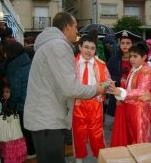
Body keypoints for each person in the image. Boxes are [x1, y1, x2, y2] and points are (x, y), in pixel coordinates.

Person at [23, 12, 105, 163]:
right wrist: (96, 89)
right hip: (47, 120)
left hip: (44, 117)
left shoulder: (50, 44)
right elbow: (71, 88)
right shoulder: (59, 46)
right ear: (67, 27)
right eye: (75, 27)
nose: (77, 31)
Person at [73, 34, 111, 163]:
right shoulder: (72, 64)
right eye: (86, 47)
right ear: (80, 47)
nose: (89, 51)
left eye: (92, 48)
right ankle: (79, 160)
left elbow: (108, 82)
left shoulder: (101, 65)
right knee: (78, 134)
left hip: (95, 104)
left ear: (96, 50)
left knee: (97, 135)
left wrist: (105, 86)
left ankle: (99, 159)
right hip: (78, 104)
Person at [109, 42, 151, 146]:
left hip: (140, 110)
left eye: (135, 56)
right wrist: (120, 85)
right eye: (130, 56)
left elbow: (141, 90)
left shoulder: (148, 71)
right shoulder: (134, 69)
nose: (132, 59)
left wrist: (121, 92)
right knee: (130, 136)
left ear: (144, 57)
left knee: (140, 138)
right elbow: (131, 85)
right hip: (129, 107)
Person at [3, 41, 36, 161]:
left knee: (25, 129)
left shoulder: (14, 67)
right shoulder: (27, 62)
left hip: (22, 103)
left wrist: (10, 106)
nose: (4, 55)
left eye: (5, 53)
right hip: (32, 100)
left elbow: (15, 91)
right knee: (31, 128)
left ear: (11, 53)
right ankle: (34, 150)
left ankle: (31, 152)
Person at [106, 30, 142, 117]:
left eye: (128, 43)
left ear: (132, 44)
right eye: (122, 43)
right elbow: (107, 75)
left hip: (133, 92)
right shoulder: (113, 59)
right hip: (118, 91)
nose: (125, 45)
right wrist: (119, 79)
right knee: (119, 115)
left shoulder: (138, 59)